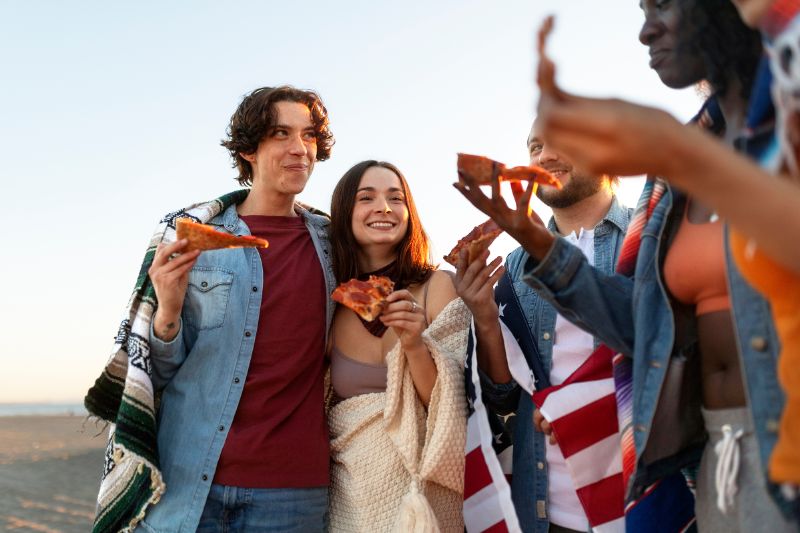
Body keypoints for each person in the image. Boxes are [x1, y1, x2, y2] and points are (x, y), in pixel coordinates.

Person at [457, 1, 798, 531]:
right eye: (641, 8)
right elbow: (644, 328)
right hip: (707, 460)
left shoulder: (766, 129)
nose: (644, 30)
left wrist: (675, 149)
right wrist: (533, 240)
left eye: (662, 3)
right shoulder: (671, 185)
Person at [84, 85, 337, 532]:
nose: (300, 149)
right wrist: (168, 308)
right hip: (185, 484)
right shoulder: (186, 234)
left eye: (310, 135)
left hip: (292, 493)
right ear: (248, 149)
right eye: (281, 133)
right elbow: (152, 374)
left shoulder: (337, 246)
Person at [455, 125, 631, 533]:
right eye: (535, 146)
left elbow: (681, 357)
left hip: (636, 501)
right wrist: (483, 316)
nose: (544, 155)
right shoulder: (514, 268)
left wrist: (587, 406)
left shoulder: (650, 239)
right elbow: (504, 395)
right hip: (547, 511)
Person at [325, 160, 470, 532]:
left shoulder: (436, 287)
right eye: (366, 198)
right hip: (350, 500)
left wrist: (415, 344)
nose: (384, 208)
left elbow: (450, 402)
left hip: (425, 495)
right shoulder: (331, 305)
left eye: (396, 198)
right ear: (344, 212)